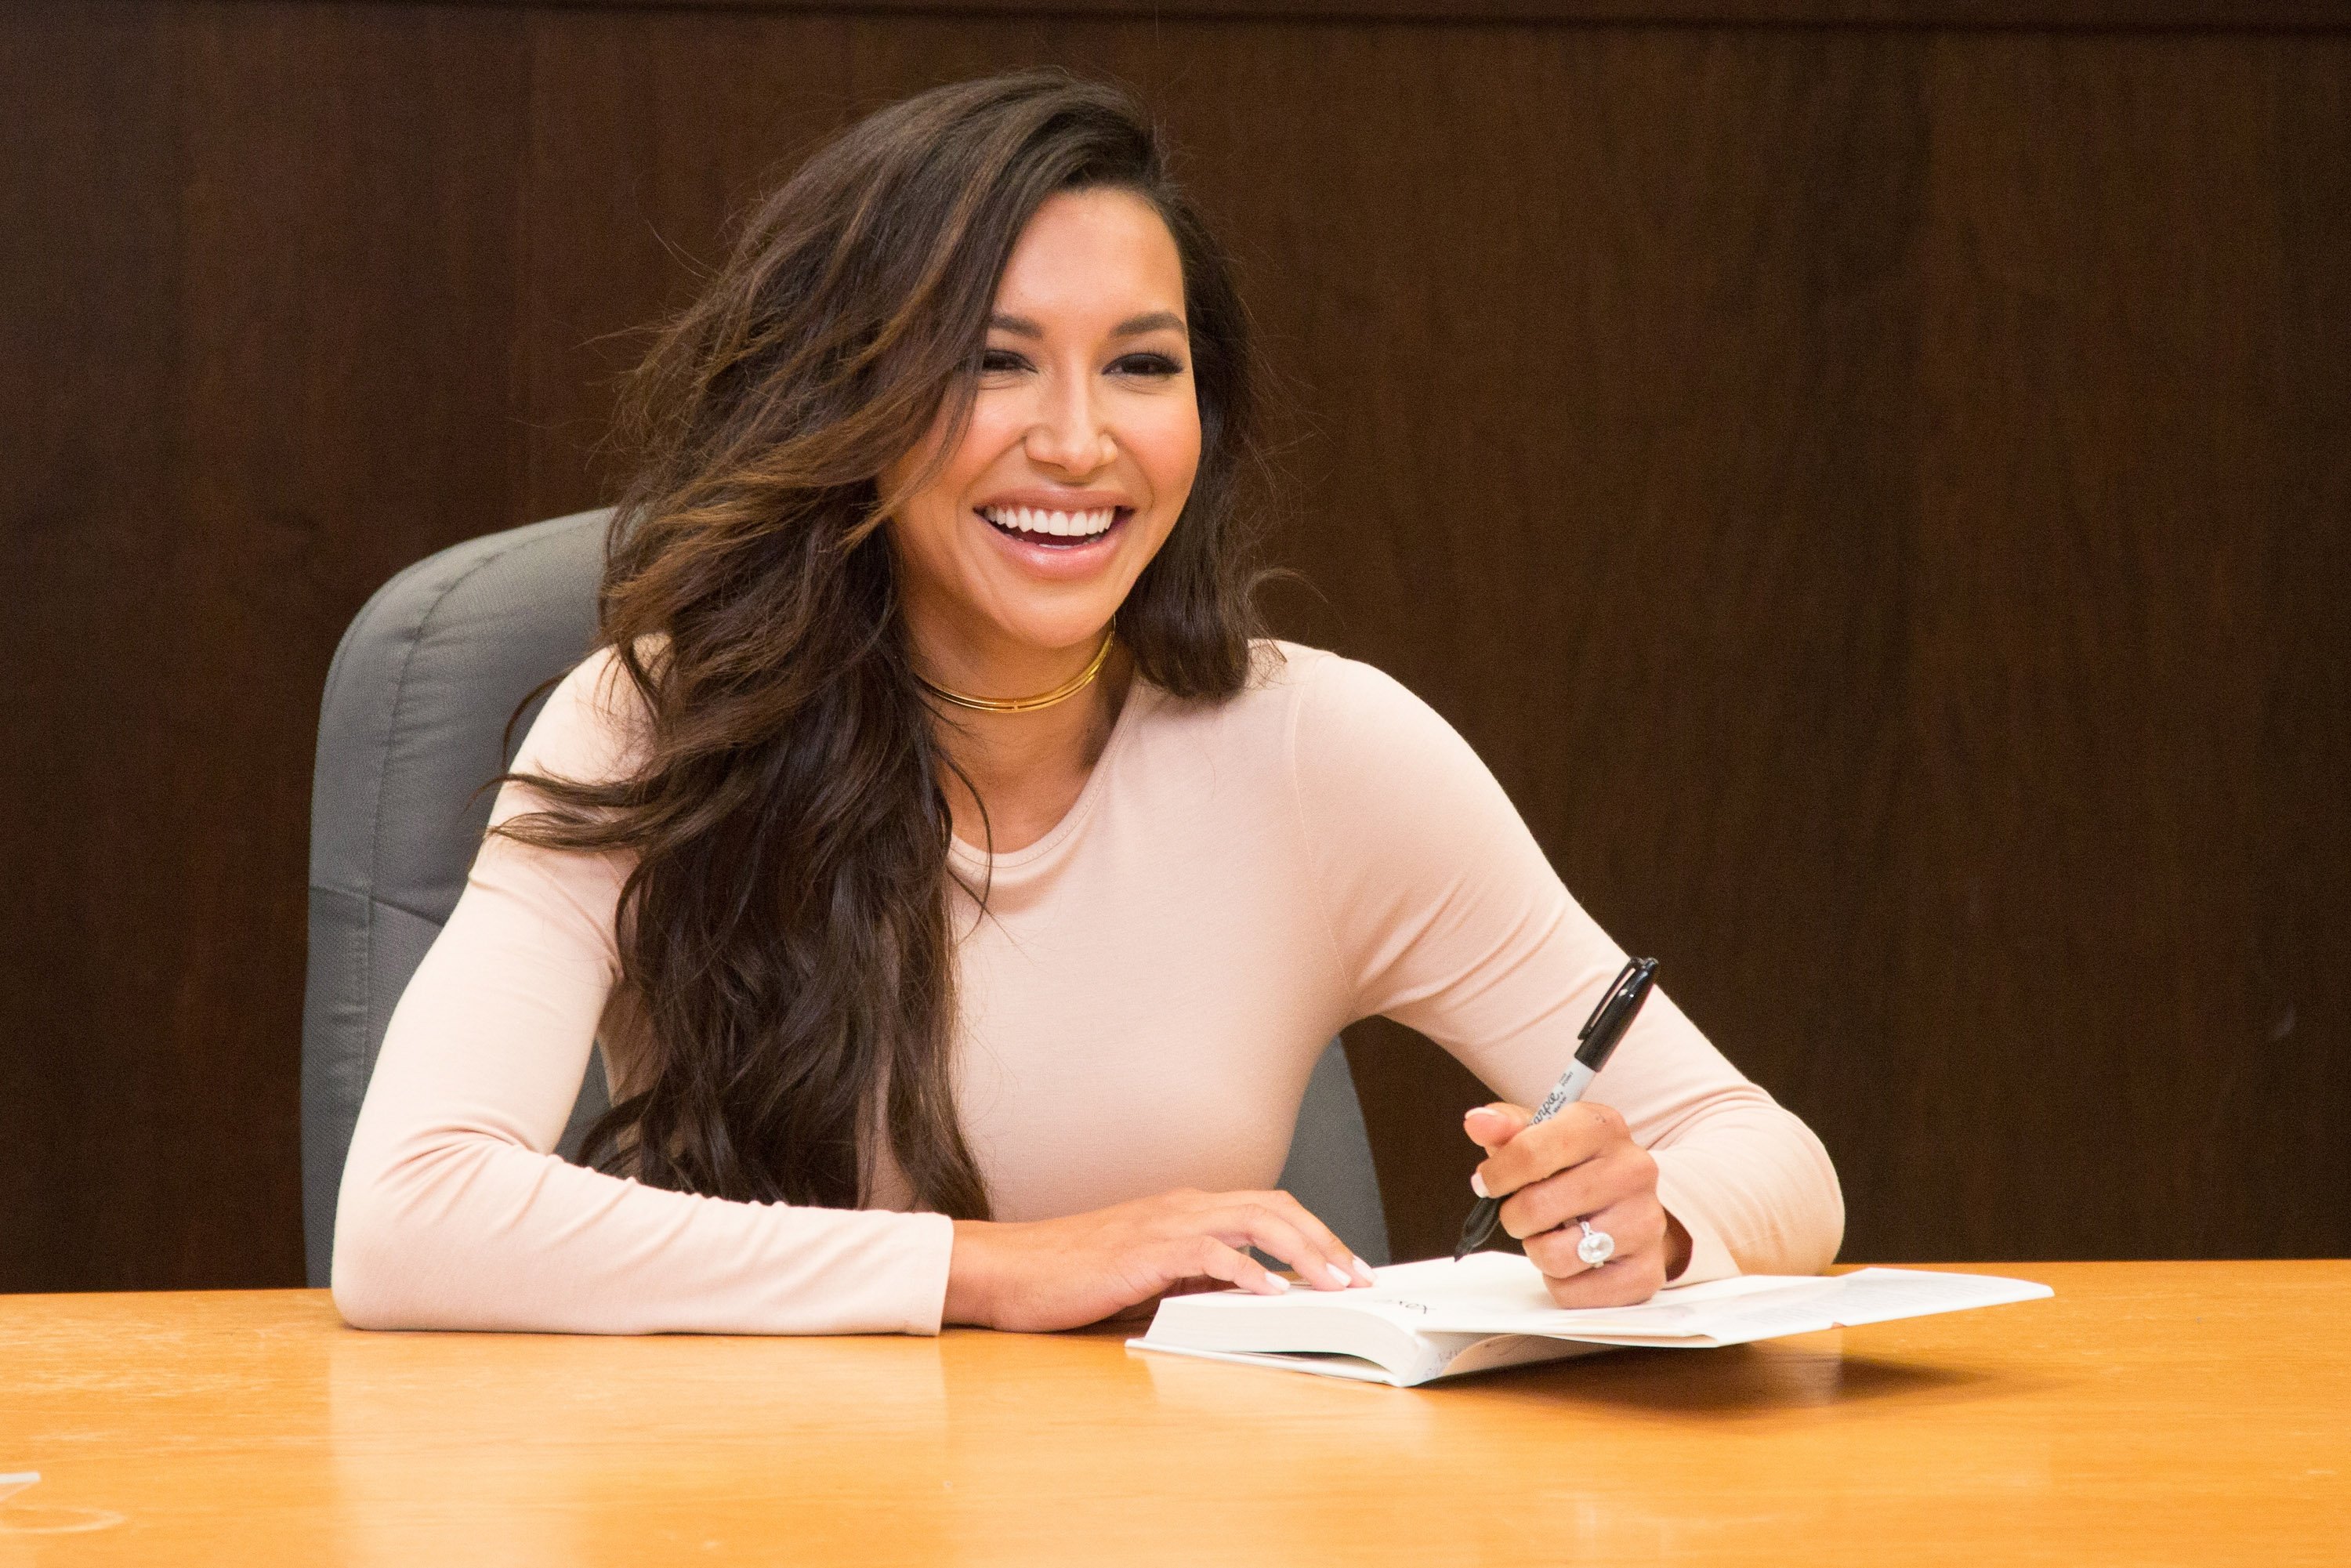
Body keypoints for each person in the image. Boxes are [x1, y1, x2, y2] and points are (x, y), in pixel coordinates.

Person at [332, 70, 1842, 1337]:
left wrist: (1655, 1232)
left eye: (1141, 365)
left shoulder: (1327, 753)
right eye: (991, 364)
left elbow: (1766, 1153)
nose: (1077, 441)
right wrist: (999, 1268)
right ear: (844, 402)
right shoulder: (662, 721)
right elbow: (408, 1211)